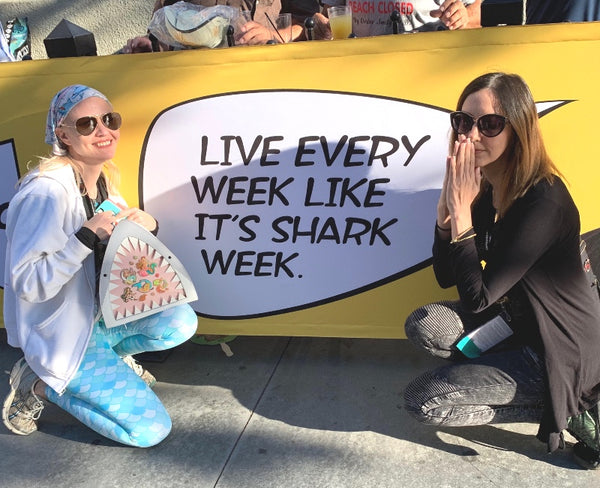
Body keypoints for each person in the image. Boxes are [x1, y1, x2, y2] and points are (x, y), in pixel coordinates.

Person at [402, 72, 600, 469]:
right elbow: (448, 276)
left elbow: (477, 297)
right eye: (463, 121)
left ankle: (568, 406)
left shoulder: (543, 203)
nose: (472, 135)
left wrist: (461, 212)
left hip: (560, 346)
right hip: (517, 316)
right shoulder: (487, 185)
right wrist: (447, 218)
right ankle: (524, 385)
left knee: (424, 399)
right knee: (425, 324)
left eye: (489, 124)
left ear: (519, 130)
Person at [1, 84, 198, 447]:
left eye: (109, 119)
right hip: (59, 336)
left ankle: (107, 364)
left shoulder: (103, 178)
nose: (103, 131)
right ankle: (39, 385)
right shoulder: (45, 193)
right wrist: (84, 238)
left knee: (180, 321)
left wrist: (142, 226)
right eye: (88, 124)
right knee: (149, 431)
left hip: (96, 316)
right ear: (63, 135)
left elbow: (114, 251)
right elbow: (26, 284)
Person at [122, 0, 313, 52]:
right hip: (201, 86)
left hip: (264, 81)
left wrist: (273, 34)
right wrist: (154, 44)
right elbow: (169, 27)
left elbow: (310, 25)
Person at [309, 0, 481, 40]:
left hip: (420, 67)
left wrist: (461, 17)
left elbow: (476, 14)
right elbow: (330, 13)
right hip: (359, 71)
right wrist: (321, 25)